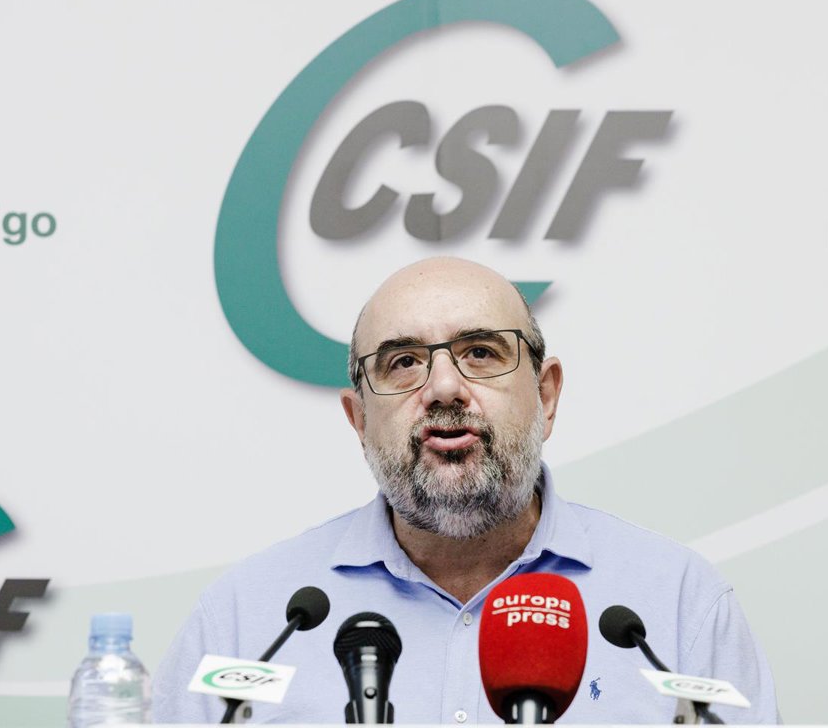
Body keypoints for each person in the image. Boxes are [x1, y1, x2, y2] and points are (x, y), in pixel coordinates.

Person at [153, 257, 779, 723]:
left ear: (546, 395)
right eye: (402, 362)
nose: (445, 389)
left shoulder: (677, 608)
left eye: (480, 352)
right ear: (359, 420)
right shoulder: (248, 620)